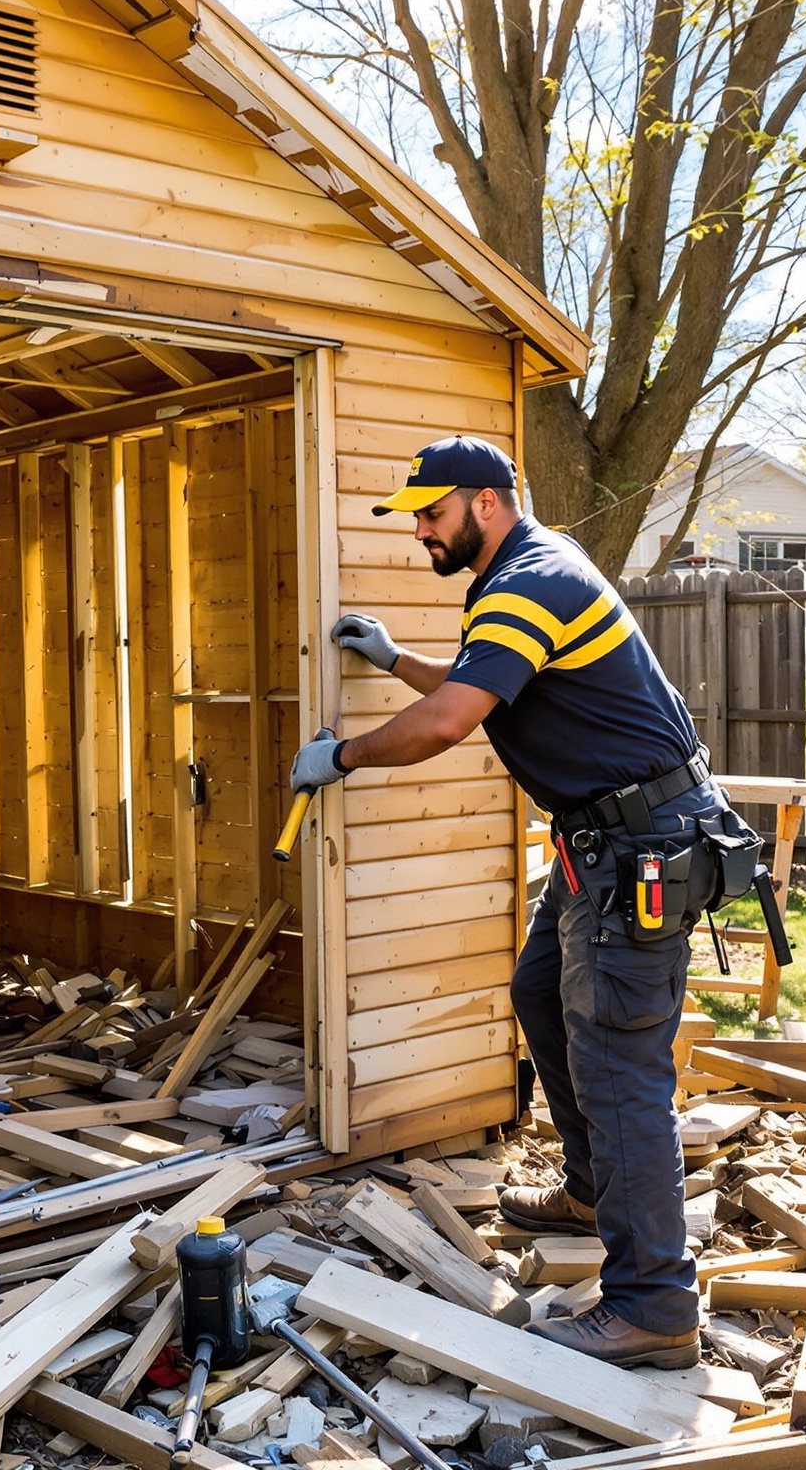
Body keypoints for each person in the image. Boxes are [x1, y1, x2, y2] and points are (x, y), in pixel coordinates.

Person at [285, 434, 752, 1370]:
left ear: (487, 502)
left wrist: (343, 756)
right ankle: (590, 1189)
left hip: (642, 850)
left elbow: (453, 723)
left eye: (431, 511)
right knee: (541, 996)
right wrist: (395, 659)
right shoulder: (515, 582)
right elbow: (479, 690)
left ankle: (655, 1307)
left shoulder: (529, 581)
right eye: (416, 515)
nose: (419, 530)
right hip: (604, 846)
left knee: (622, 1074)